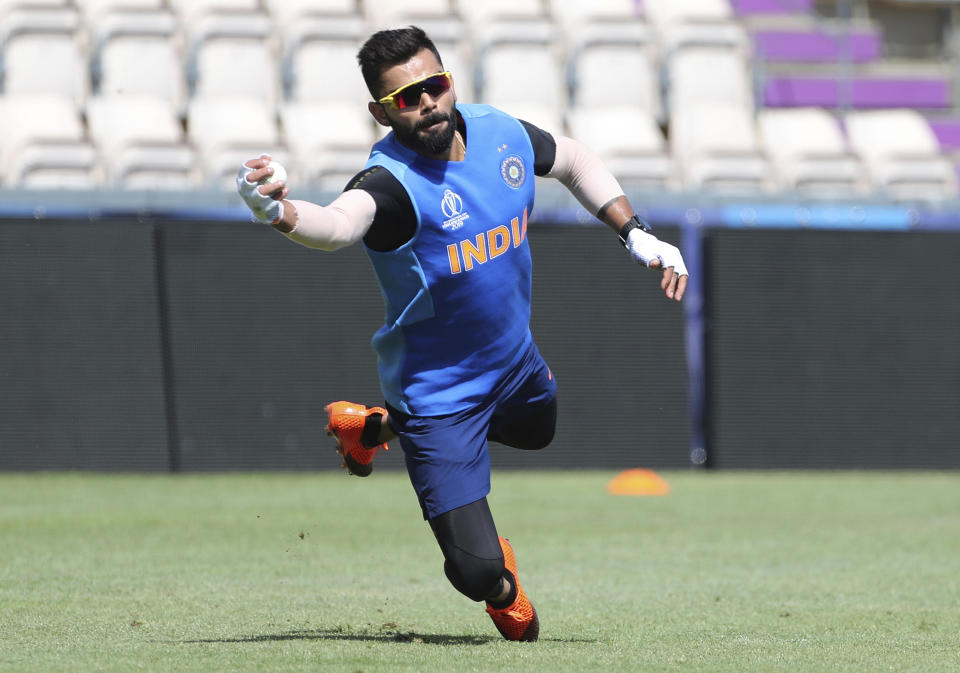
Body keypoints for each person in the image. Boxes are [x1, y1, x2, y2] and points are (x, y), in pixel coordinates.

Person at [236, 26, 688, 642]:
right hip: (439, 394)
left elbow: (575, 159)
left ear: (450, 81)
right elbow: (338, 225)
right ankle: (503, 588)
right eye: (407, 97)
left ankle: (370, 428)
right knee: (476, 569)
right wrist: (279, 212)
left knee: (539, 432)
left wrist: (634, 232)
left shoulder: (499, 131)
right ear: (381, 112)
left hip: (513, 363)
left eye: (435, 85)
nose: (427, 103)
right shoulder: (390, 184)